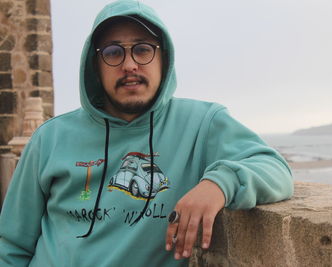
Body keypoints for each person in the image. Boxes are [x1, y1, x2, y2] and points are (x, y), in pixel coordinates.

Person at [0, 0, 293, 266]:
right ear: (95, 65)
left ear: (163, 59)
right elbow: (11, 246)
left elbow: (274, 167)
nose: (129, 65)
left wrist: (219, 184)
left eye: (143, 49)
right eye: (113, 52)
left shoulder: (202, 123)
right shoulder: (50, 138)